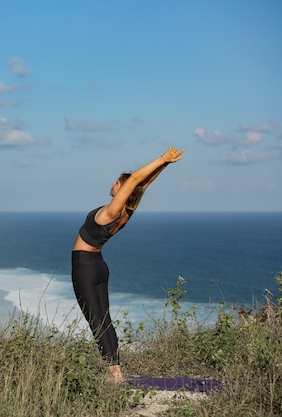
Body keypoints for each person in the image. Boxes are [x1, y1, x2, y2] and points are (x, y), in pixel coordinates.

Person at [71, 146, 185, 384]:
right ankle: (115, 370)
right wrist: (164, 166)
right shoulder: (125, 213)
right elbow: (142, 185)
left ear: (123, 189)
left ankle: (114, 374)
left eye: (117, 183)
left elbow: (135, 181)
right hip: (99, 266)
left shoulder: (111, 212)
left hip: (85, 268)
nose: (113, 184)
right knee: (104, 319)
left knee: (96, 322)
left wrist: (163, 157)